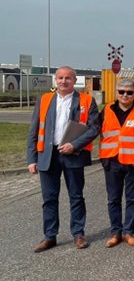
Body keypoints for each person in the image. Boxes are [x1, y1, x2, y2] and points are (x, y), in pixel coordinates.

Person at [26, 66, 100, 252]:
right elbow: (34, 130)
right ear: (55, 80)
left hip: (73, 155)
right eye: (60, 78)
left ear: (75, 81)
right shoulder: (44, 100)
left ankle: (78, 234)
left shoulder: (86, 100)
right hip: (47, 155)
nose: (63, 81)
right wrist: (31, 158)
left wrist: (75, 144)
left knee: (76, 196)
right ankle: (49, 236)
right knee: (49, 198)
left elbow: (94, 128)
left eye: (68, 78)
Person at [97, 79, 134, 247]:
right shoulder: (106, 110)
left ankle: (128, 232)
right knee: (113, 199)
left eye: (129, 92)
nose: (125, 95)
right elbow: (96, 130)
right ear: (116, 93)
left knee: (132, 199)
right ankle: (115, 233)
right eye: (121, 91)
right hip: (111, 161)